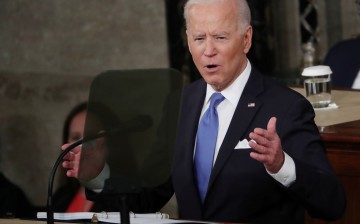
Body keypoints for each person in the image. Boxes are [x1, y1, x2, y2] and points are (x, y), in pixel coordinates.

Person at [61, 0, 346, 223]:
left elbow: (332, 204)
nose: (208, 51)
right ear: (187, 40)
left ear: (246, 39)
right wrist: (98, 174)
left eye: (220, 37)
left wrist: (281, 165)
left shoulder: (286, 107)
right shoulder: (180, 103)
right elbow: (148, 195)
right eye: (199, 39)